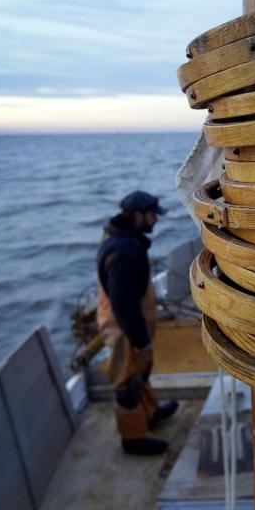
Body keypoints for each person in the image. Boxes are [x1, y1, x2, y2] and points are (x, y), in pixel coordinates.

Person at [97, 190, 179, 455]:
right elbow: (123, 305)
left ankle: (151, 414)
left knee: (140, 373)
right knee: (127, 384)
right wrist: (141, 341)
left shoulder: (122, 237)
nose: (156, 220)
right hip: (124, 330)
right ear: (137, 215)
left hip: (129, 325)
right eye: (153, 215)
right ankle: (132, 439)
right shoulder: (124, 252)